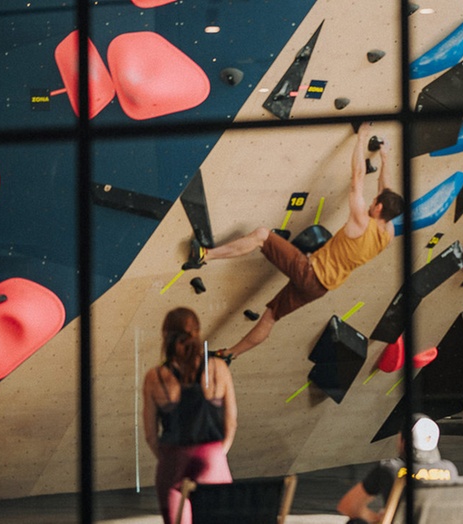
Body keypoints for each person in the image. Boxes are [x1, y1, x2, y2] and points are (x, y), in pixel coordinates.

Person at [182, 123, 404, 360]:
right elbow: (387, 190)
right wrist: (385, 157)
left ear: (378, 207)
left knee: (262, 236)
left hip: (308, 271)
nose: (372, 201)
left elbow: (358, 177)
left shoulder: (361, 219)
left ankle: (204, 255)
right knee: (271, 316)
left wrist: (361, 139)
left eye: (375, 202)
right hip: (320, 289)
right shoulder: (387, 233)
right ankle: (230, 355)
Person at [142, 308, 238, 524]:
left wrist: (169, 459)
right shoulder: (218, 368)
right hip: (212, 459)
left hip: (173, 461)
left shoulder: (155, 377)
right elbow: (231, 422)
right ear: (197, 332)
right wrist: (217, 454)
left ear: (165, 335)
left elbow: (150, 434)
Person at [337, 414, 458, 524]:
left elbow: (348, 506)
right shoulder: (449, 470)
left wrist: (378, 519)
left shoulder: (391, 469)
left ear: (403, 441)